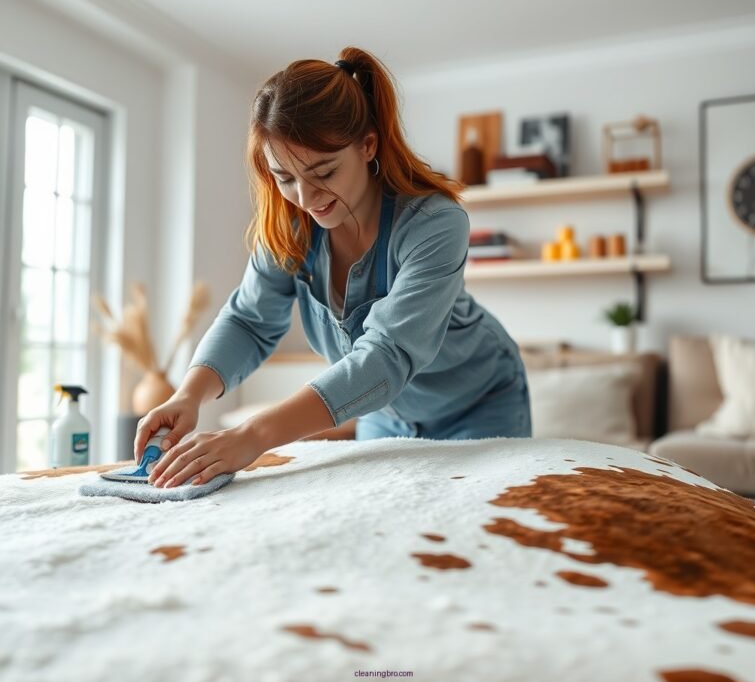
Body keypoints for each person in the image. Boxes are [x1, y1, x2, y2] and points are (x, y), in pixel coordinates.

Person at [135, 46, 531, 489]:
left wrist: (252, 436)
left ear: (367, 145)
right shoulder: (290, 228)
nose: (305, 198)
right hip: (383, 411)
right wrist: (189, 396)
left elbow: (386, 356)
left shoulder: (436, 224)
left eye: (323, 171)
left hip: (479, 399)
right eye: (284, 178)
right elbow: (249, 321)